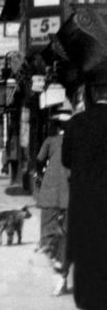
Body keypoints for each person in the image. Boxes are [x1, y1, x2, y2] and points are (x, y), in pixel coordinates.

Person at [62, 84, 107, 310]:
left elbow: (66, 160)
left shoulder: (75, 124)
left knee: (85, 247)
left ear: (92, 96)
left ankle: (86, 299)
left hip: (84, 198)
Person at [36, 108, 70, 296]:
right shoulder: (79, 142)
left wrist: (41, 172)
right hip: (71, 195)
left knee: (48, 234)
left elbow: (39, 160)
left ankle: (56, 268)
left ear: (56, 126)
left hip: (50, 194)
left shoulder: (50, 141)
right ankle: (63, 275)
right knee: (67, 235)